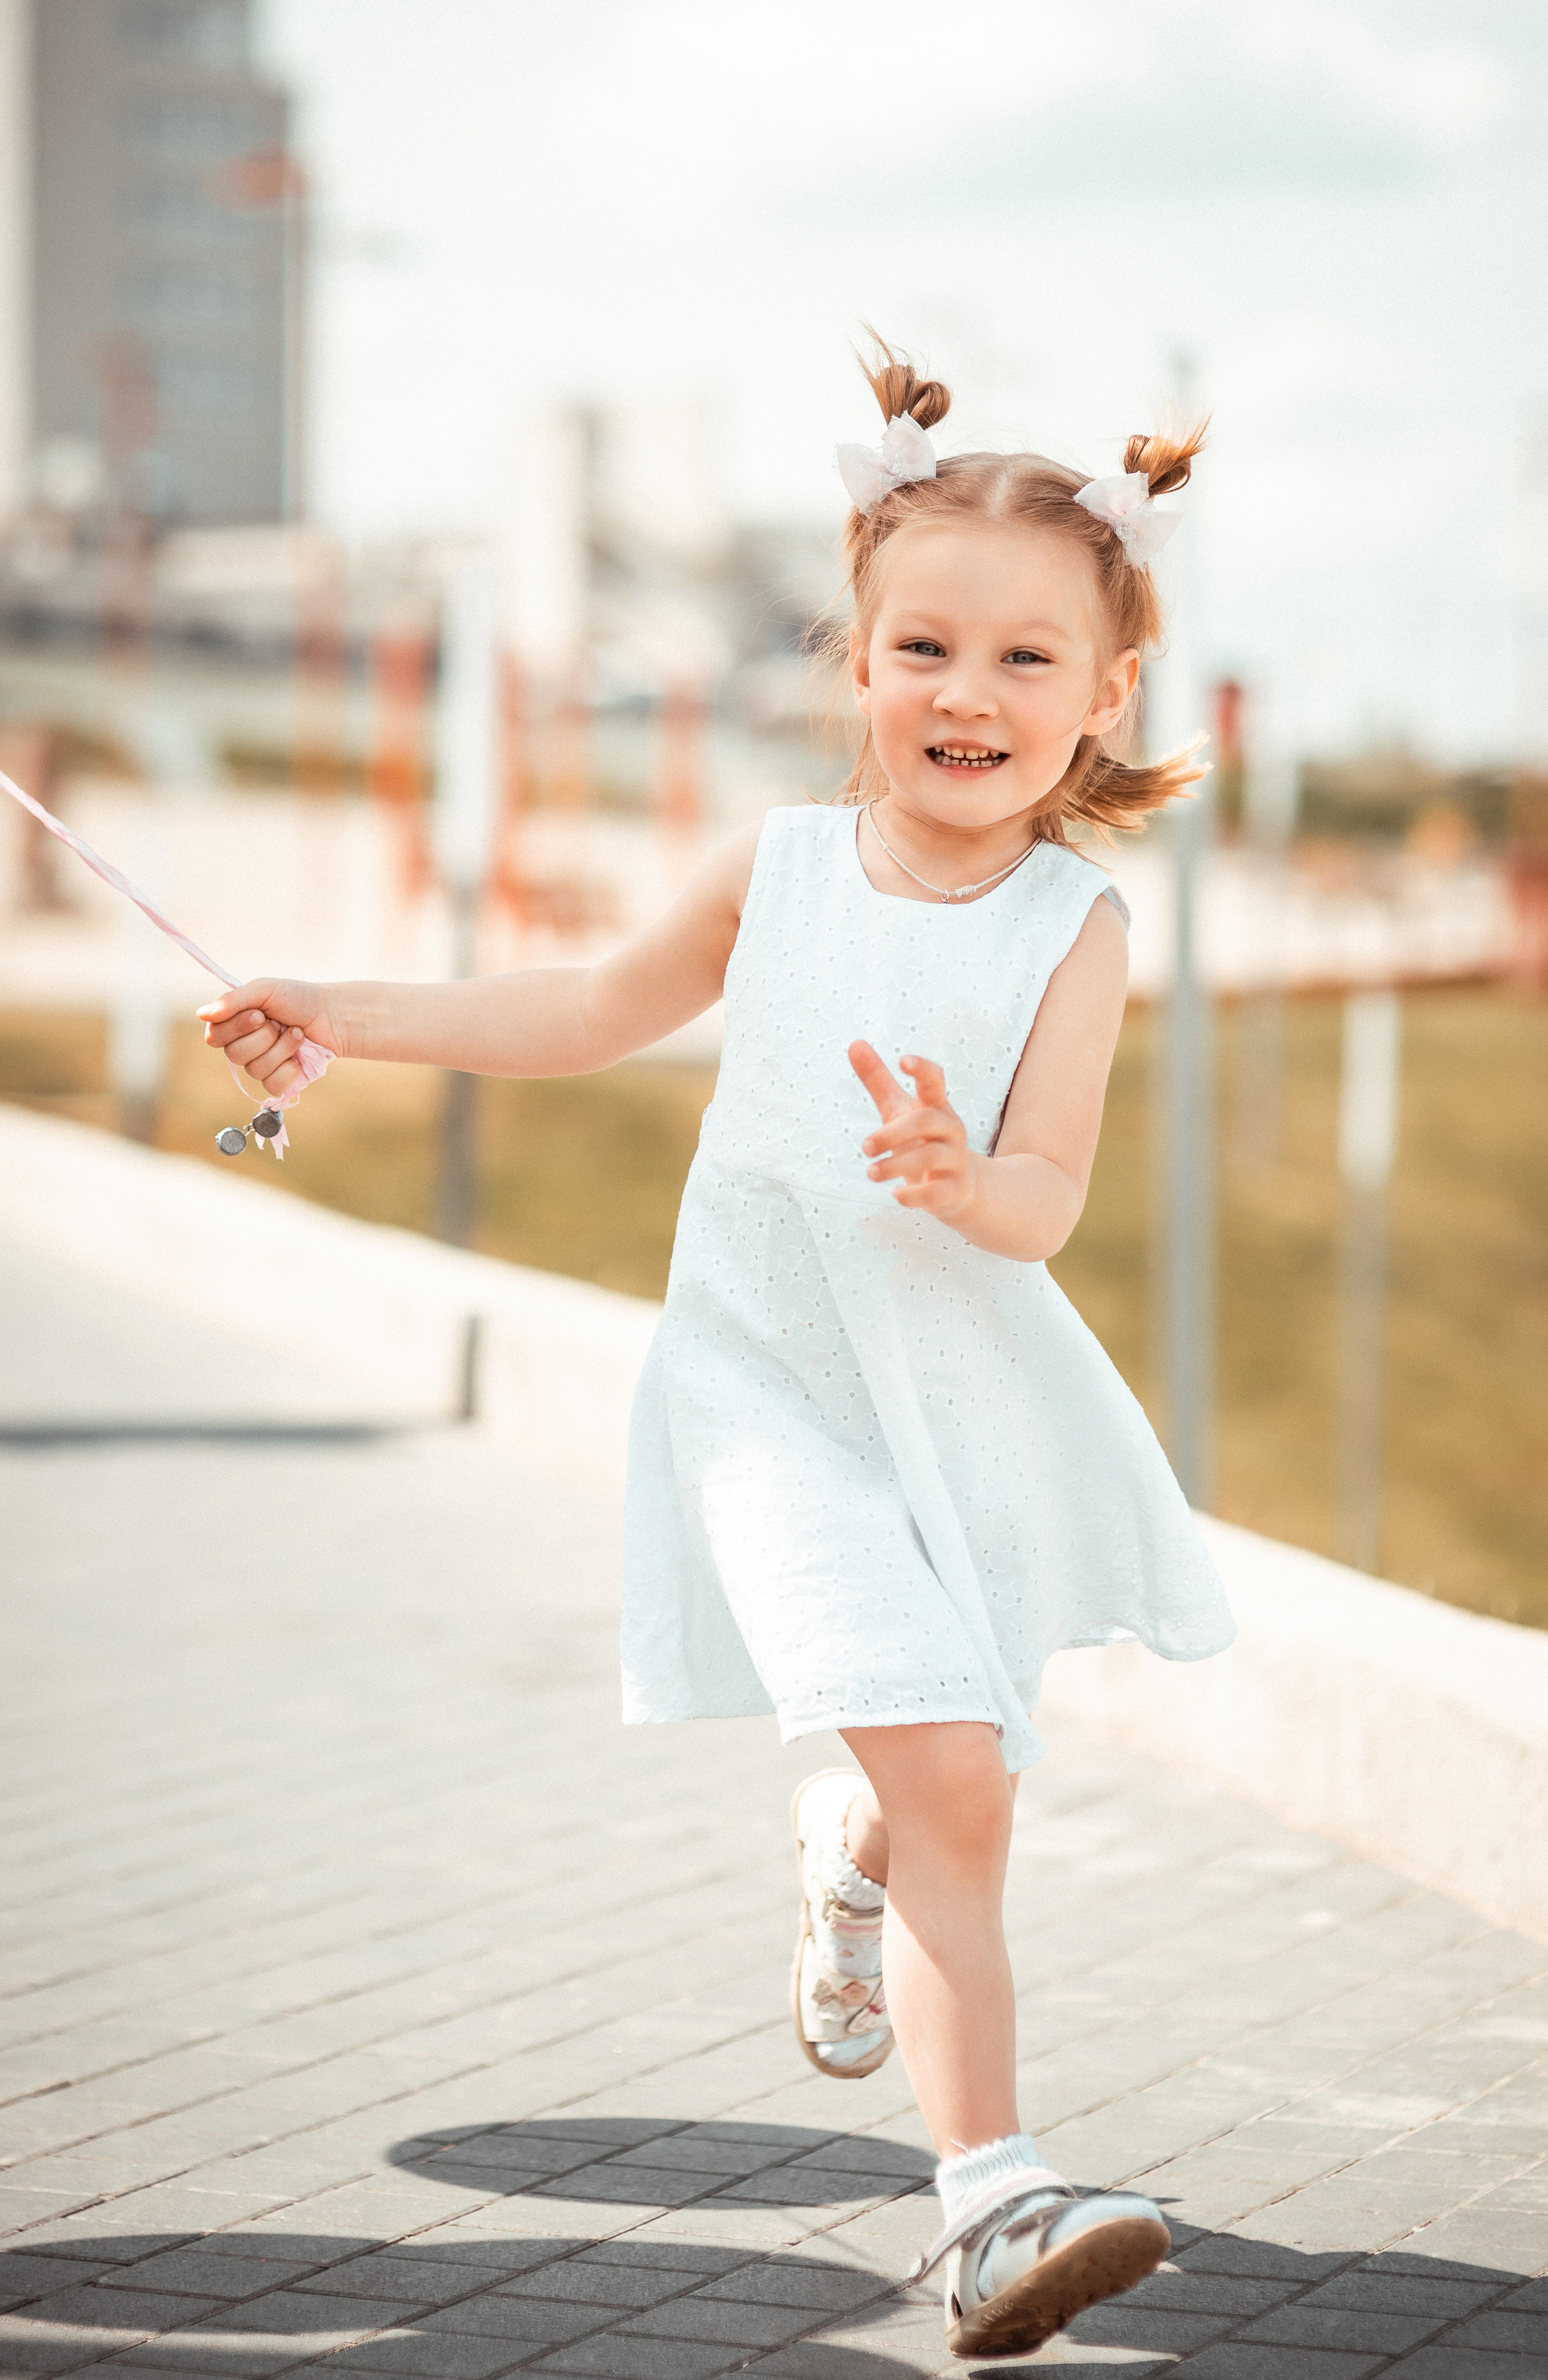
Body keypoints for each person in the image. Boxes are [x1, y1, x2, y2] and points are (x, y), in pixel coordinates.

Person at [201, 340, 1235, 2361]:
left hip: (960, 1394)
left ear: (1106, 697)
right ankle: (995, 2202)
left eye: (1030, 661)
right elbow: (581, 1005)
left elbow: (1051, 1196)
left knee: (935, 1790)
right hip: (771, 1389)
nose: (970, 693)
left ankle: (849, 1856)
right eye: (924, 644)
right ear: (856, 658)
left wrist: (965, 1175)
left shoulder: (1075, 930)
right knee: (962, 1776)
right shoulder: (771, 871)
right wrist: (341, 1010)